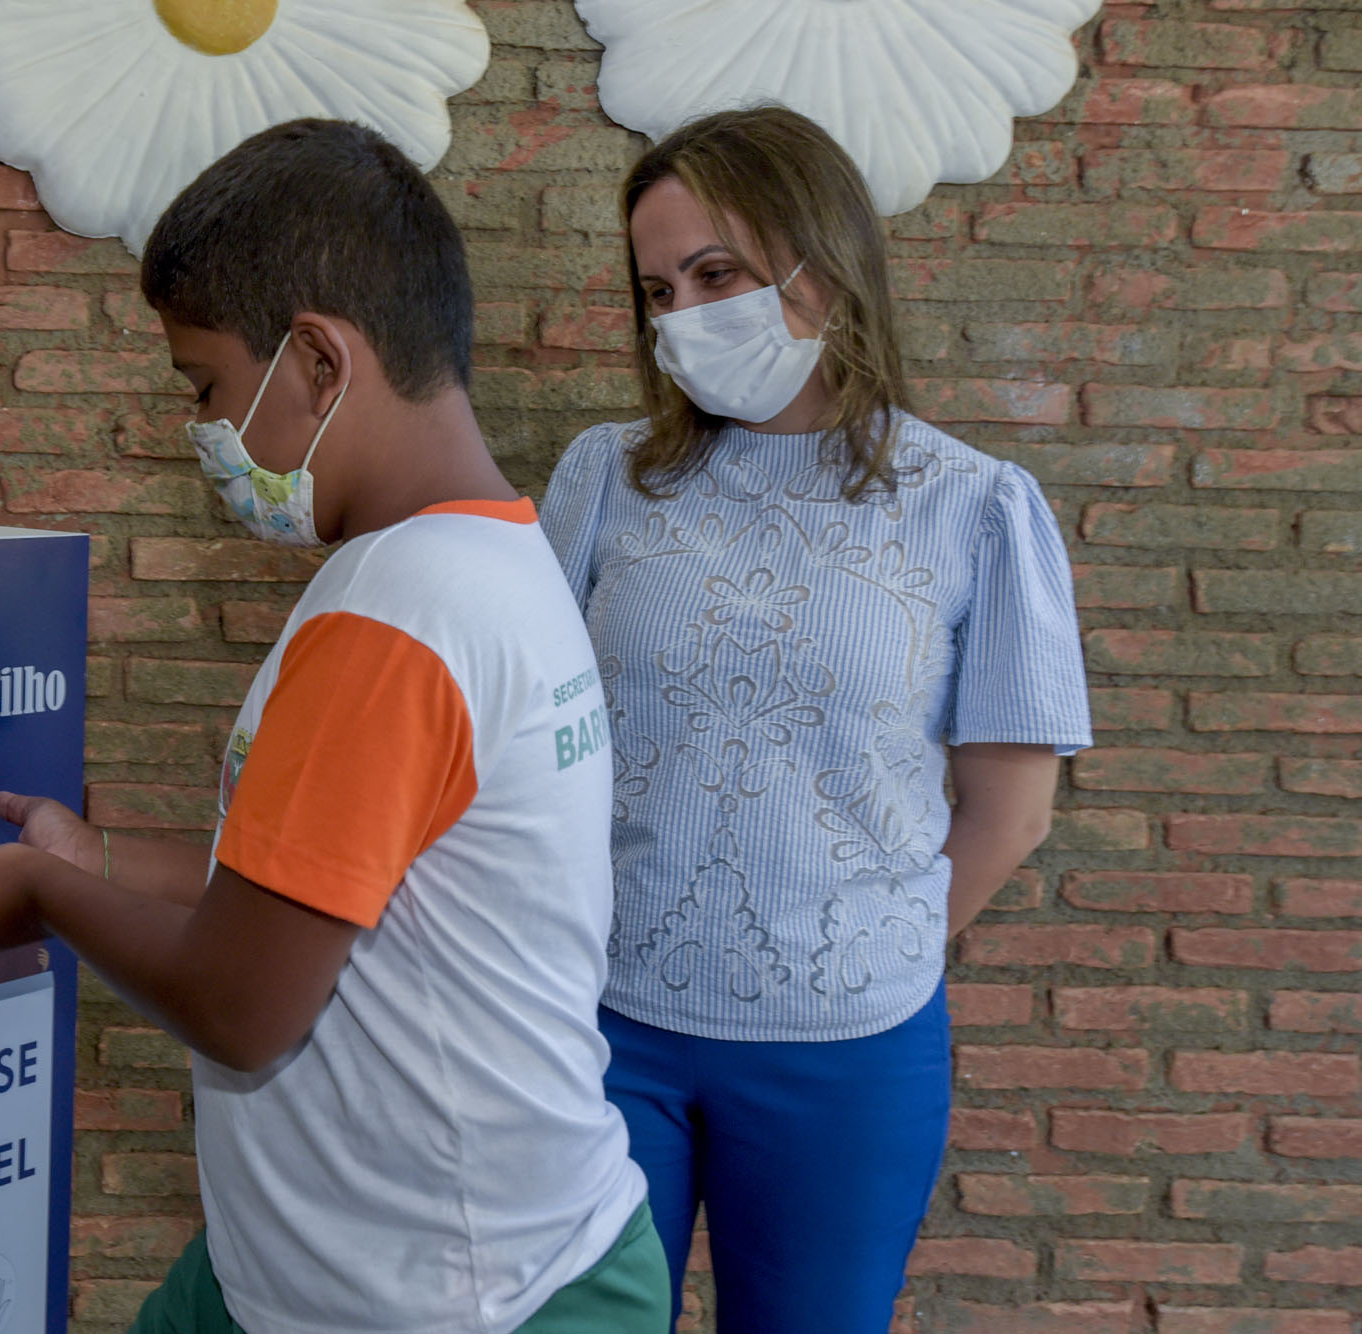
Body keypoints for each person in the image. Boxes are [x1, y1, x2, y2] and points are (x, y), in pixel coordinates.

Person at [0, 119, 669, 1334]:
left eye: (205, 387)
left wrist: (42, 898)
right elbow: (320, 878)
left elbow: (245, 1000)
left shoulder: (394, 616)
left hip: (454, 1298)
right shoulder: (486, 556)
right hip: (329, 1263)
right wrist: (88, 857)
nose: (201, 434)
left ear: (317, 357)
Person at [539, 106, 1093, 1334]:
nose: (683, 313)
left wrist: (853, 956)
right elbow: (525, 743)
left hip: (848, 1053)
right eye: (657, 286)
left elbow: (1009, 809)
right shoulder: (601, 478)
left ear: (823, 262)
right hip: (601, 1024)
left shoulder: (974, 508)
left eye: (717, 273)